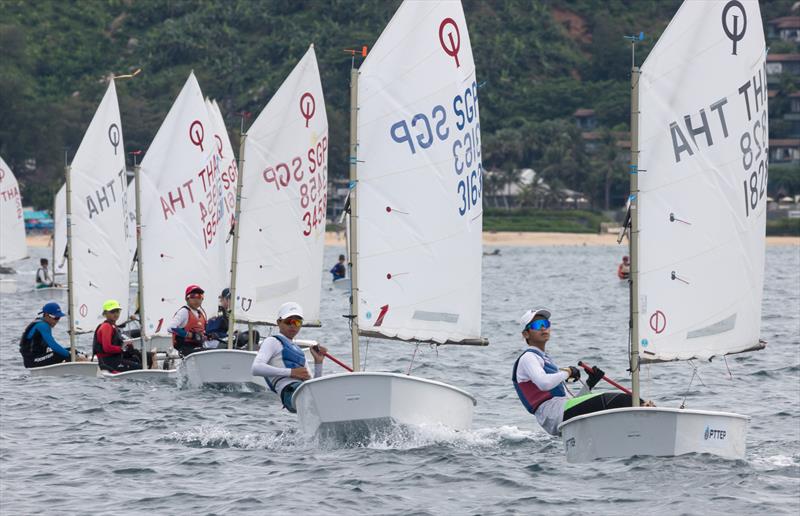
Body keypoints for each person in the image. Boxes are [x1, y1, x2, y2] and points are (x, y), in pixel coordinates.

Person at [512, 308, 651, 436]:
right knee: (616, 400)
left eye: (545, 323)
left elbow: (573, 402)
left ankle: (640, 422)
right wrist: (567, 372)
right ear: (525, 334)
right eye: (537, 325)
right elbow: (543, 384)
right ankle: (648, 414)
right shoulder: (528, 357)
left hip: (559, 413)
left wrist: (590, 383)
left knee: (615, 405)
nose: (543, 328)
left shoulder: (544, 358)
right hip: (554, 415)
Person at [251, 301, 327, 413]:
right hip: (289, 392)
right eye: (288, 321)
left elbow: (314, 385)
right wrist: (291, 372)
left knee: (324, 393)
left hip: (302, 390)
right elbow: (256, 368)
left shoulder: (299, 352)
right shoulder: (272, 341)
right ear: (279, 322)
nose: (293, 326)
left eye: (297, 322)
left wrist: (318, 362)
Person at [19, 302, 87, 368]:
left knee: (71, 350)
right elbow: (53, 345)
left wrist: (72, 352)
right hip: (32, 360)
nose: (57, 321)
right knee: (61, 354)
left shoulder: (44, 324)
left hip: (40, 356)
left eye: (59, 318)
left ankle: (80, 361)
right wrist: (70, 355)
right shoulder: (42, 325)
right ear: (46, 315)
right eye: (55, 318)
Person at [93, 300, 154, 372]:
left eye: (117, 311)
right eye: (112, 311)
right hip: (108, 362)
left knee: (145, 358)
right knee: (141, 368)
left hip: (115, 358)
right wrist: (123, 349)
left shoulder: (112, 325)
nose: (116, 314)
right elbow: (107, 348)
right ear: (105, 313)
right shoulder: (106, 327)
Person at [168, 284, 208, 357]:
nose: (197, 299)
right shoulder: (184, 312)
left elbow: (203, 333)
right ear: (186, 298)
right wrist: (190, 335)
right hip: (185, 349)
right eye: (193, 296)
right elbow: (171, 328)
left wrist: (207, 336)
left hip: (198, 348)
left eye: (199, 296)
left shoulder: (201, 314)